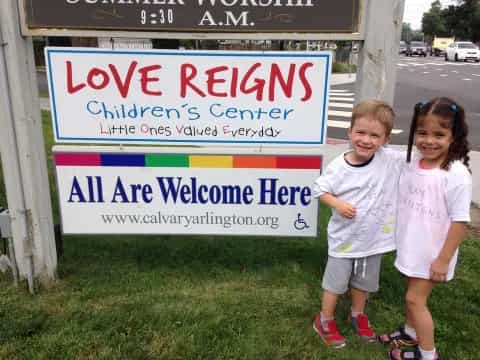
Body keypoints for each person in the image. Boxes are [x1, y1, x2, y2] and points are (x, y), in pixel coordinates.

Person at [378, 97, 472, 360]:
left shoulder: (455, 173)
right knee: (411, 291)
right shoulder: (411, 161)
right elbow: (383, 153)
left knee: (414, 300)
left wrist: (443, 260)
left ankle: (428, 354)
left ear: (454, 136)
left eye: (439, 134)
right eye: (422, 133)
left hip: (434, 254)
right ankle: (410, 332)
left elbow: (460, 221)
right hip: (412, 246)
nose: (428, 140)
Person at [312, 100, 403, 348]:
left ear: (385, 139)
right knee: (335, 284)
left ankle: (357, 314)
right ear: (350, 132)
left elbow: (417, 158)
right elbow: (319, 190)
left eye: (375, 135)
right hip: (344, 241)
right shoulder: (339, 167)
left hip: (372, 241)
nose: (366, 140)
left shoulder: (389, 159)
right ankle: (325, 319)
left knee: (363, 283)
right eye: (360, 132)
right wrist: (338, 204)